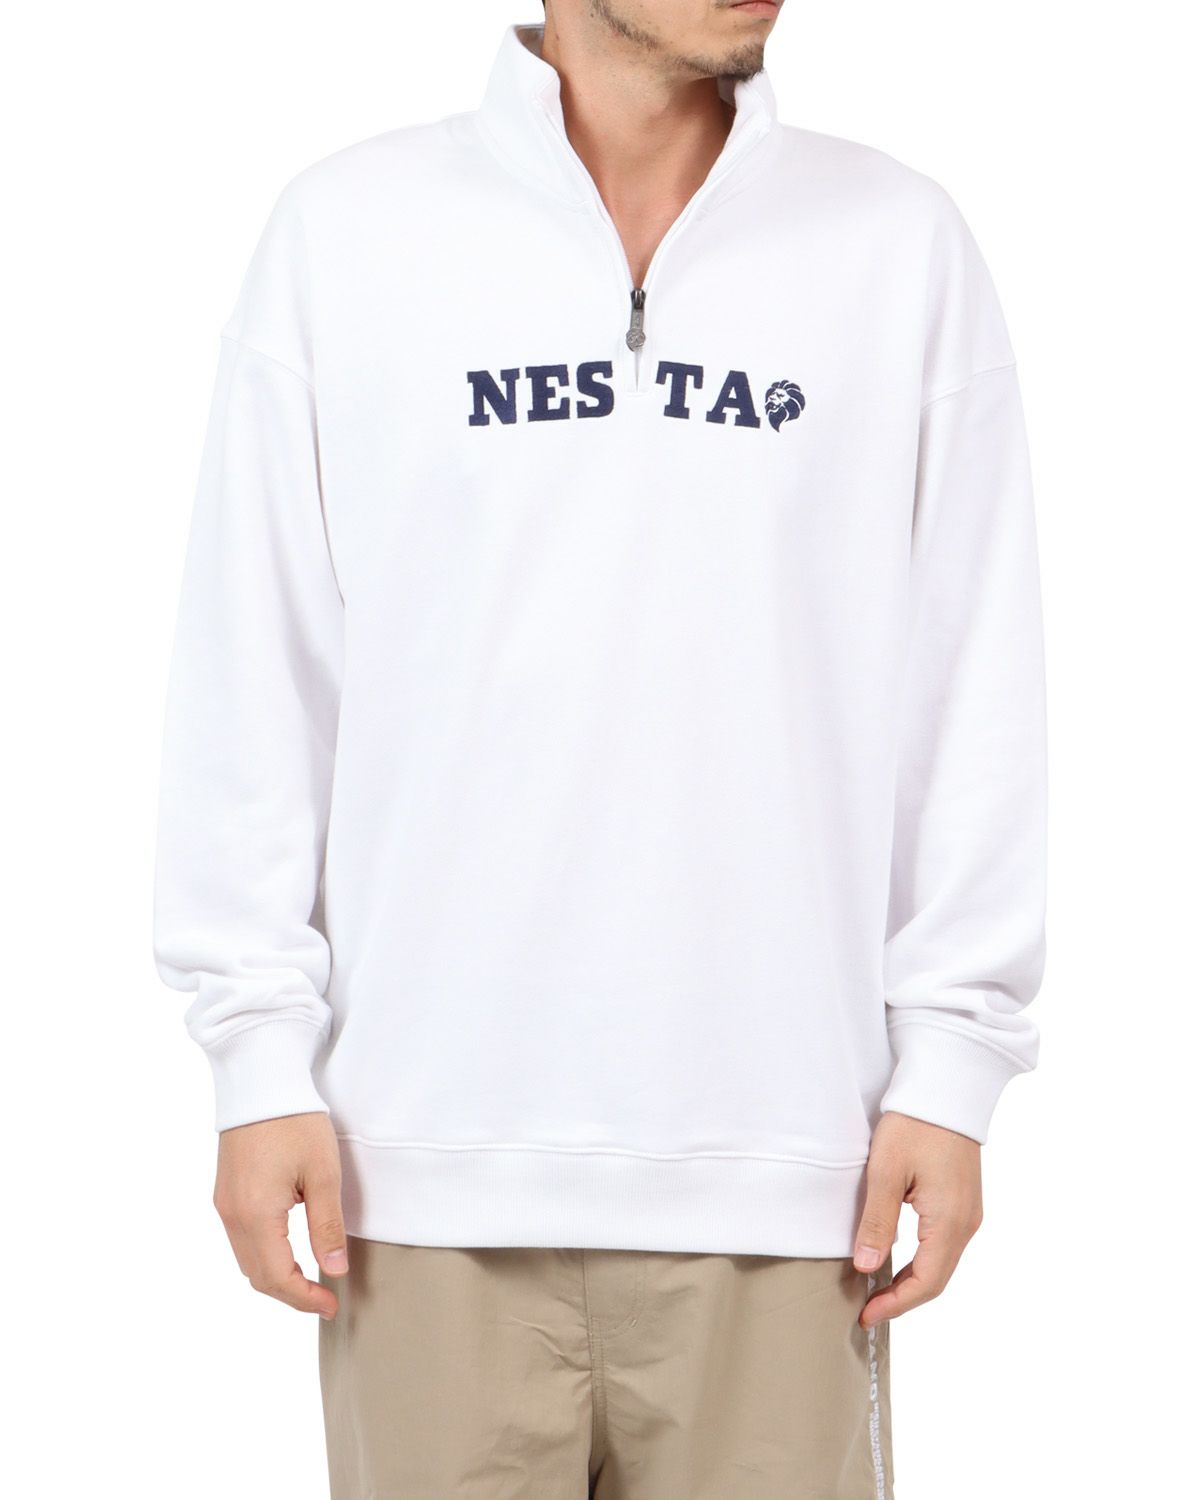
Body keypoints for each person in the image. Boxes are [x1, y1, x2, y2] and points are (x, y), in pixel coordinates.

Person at [152, 4, 1047, 1496]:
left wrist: (953, 1068)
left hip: (787, 1177)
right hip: (415, 1176)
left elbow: (972, 691)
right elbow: (257, 679)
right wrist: (255, 1056)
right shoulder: (348, 236)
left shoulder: (899, 250)